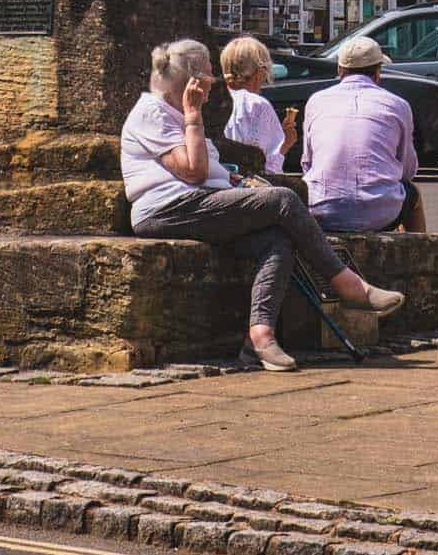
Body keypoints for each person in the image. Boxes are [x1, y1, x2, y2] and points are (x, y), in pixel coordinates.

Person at [121, 38, 404, 372]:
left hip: (198, 203)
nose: (214, 80)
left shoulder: (173, 113)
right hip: (168, 208)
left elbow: (208, 173)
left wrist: (234, 181)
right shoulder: (152, 114)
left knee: (276, 241)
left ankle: (260, 338)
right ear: (192, 81)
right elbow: (193, 172)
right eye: (209, 73)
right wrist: (194, 115)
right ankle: (348, 285)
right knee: (283, 199)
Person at [299, 36, 427, 234]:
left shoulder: (316, 101)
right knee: (413, 195)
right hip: (381, 212)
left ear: (340, 71)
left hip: (320, 209)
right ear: (378, 73)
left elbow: (308, 164)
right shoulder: (397, 105)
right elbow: (407, 169)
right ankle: (419, 258)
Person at [221, 35, 296, 176]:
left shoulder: (214, 98)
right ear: (259, 73)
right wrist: (286, 143)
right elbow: (267, 169)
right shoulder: (256, 105)